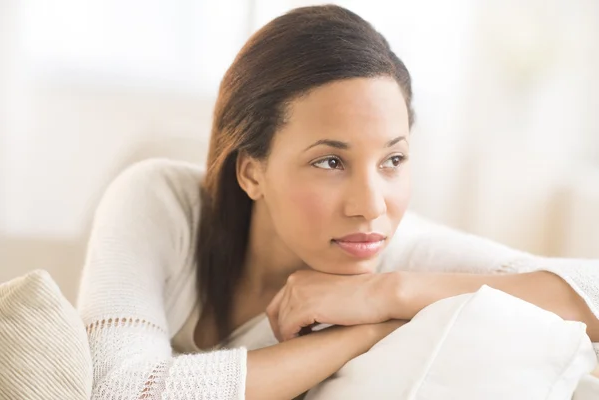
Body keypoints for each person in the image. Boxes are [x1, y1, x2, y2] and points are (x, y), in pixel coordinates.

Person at [77, 5, 599, 399]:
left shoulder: (396, 253)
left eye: (392, 160)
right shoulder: (160, 200)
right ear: (251, 170)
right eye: (330, 162)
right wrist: (362, 336)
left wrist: (388, 294)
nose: (371, 206)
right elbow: (123, 389)